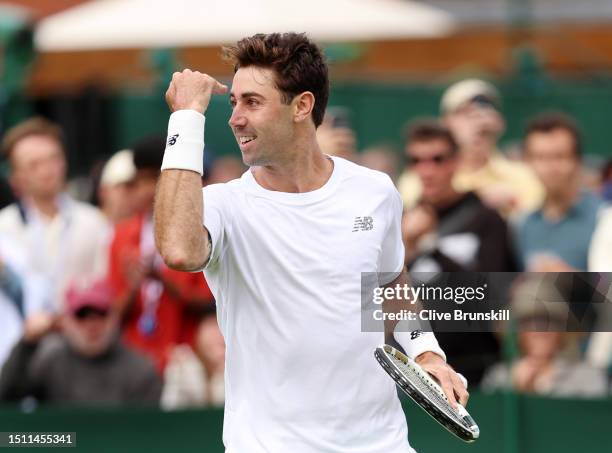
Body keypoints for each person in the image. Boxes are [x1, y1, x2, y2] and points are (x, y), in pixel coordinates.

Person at [154, 32, 466, 453]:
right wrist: (187, 119)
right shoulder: (223, 206)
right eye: (234, 102)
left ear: (302, 105)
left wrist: (427, 351)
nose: (235, 118)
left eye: (253, 102)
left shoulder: (375, 192)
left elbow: (391, 285)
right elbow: (178, 249)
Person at [108, 136, 215, 373]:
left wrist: (163, 280)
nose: (147, 190)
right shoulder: (122, 236)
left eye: (155, 178)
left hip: (186, 358)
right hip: (134, 360)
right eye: (140, 181)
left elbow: (209, 303)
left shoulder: (199, 228)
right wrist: (134, 286)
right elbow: (112, 314)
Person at [0, 117, 110, 308]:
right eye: (34, 164)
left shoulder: (93, 222)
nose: (47, 170)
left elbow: (105, 284)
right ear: (16, 178)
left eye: (54, 158)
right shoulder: (4, 227)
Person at [0, 279, 161, 405]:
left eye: (101, 313)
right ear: (66, 321)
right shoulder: (51, 362)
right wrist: (27, 344)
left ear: (115, 318)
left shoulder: (140, 369)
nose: (92, 324)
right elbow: (6, 396)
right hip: (63, 445)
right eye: (81, 314)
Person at [397, 79, 544, 217]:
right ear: (445, 123)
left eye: (486, 111)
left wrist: (514, 204)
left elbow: (537, 228)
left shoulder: (522, 175)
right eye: (464, 113)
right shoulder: (420, 175)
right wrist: (479, 203)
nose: (477, 121)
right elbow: (412, 217)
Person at [481, 276, 607, 398]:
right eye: (529, 323)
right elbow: (487, 416)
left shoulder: (587, 378)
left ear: (562, 333)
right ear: (517, 334)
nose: (540, 331)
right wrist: (515, 388)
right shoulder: (499, 378)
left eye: (549, 323)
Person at [517, 113, 604, 272]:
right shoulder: (524, 224)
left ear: (577, 160)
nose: (550, 167)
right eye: (540, 157)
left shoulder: (603, 219)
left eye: (559, 156)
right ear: (527, 161)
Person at [161, 309, 225, 409]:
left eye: (223, 325)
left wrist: (224, 375)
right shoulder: (183, 367)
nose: (218, 334)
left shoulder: (242, 369)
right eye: (212, 325)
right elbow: (171, 414)